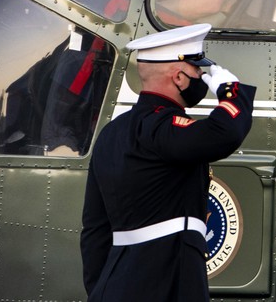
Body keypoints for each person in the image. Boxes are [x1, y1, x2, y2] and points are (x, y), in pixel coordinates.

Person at [80, 23, 255, 301]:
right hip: (169, 281)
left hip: (114, 284)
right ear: (179, 78)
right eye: (197, 70)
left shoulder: (111, 133)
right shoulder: (163, 126)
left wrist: (102, 290)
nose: (200, 76)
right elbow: (225, 133)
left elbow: (95, 231)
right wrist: (232, 92)